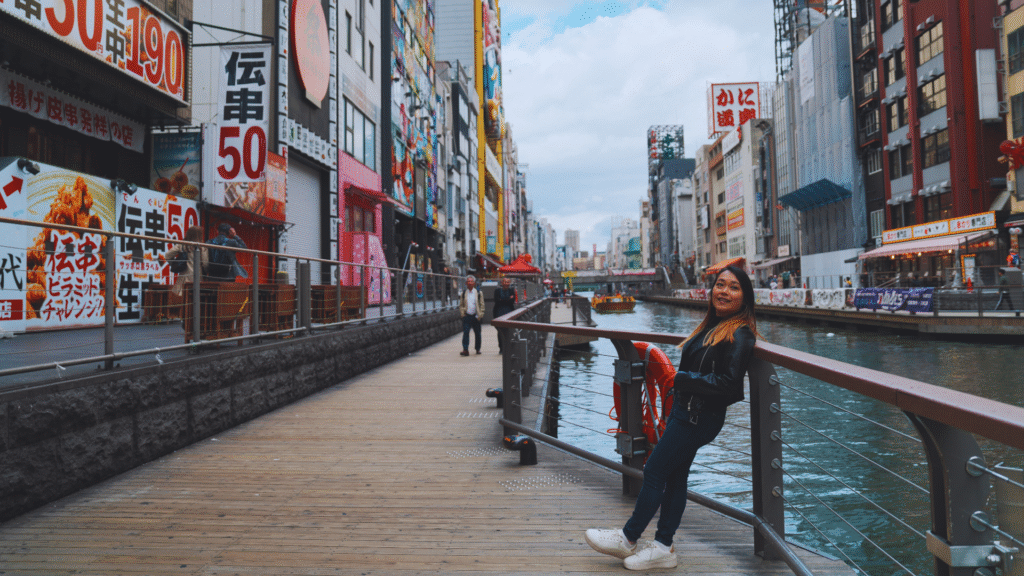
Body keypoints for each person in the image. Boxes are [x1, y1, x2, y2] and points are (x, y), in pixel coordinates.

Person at [585, 265, 759, 570]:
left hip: (698, 417)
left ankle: (627, 538)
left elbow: (731, 386)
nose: (724, 291)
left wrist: (682, 380)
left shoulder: (741, 333)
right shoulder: (710, 326)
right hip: (685, 412)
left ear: (744, 297)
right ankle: (664, 547)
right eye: (720, 285)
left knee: (654, 470)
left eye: (733, 287)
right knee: (676, 478)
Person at [165, 226, 208, 298]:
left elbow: (167, 255)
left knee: (182, 300)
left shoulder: (182, 245)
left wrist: (175, 264)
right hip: (198, 279)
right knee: (195, 301)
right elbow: (205, 264)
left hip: (184, 277)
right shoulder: (202, 247)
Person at [459, 275, 485, 356]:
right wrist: (463, 314)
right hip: (467, 316)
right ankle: (465, 349)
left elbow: (482, 305)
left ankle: (478, 349)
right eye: (468, 281)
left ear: (474, 283)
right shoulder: (463, 293)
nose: (470, 283)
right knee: (466, 333)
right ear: (466, 283)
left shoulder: (478, 293)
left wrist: (480, 314)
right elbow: (461, 305)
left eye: (471, 281)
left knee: (478, 333)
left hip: (476, 316)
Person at [492, 276, 517, 353]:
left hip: (509, 312)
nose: (506, 284)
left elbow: (512, 301)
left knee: (509, 330)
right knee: (500, 331)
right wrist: (508, 299)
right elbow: (497, 301)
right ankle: (501, 348)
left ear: (509, 283)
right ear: (502, 283)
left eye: (508, 282)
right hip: (499, 313)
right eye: (505, 282)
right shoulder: (497, 291)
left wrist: (503, 299)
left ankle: (509, 347)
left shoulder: (512, 290)